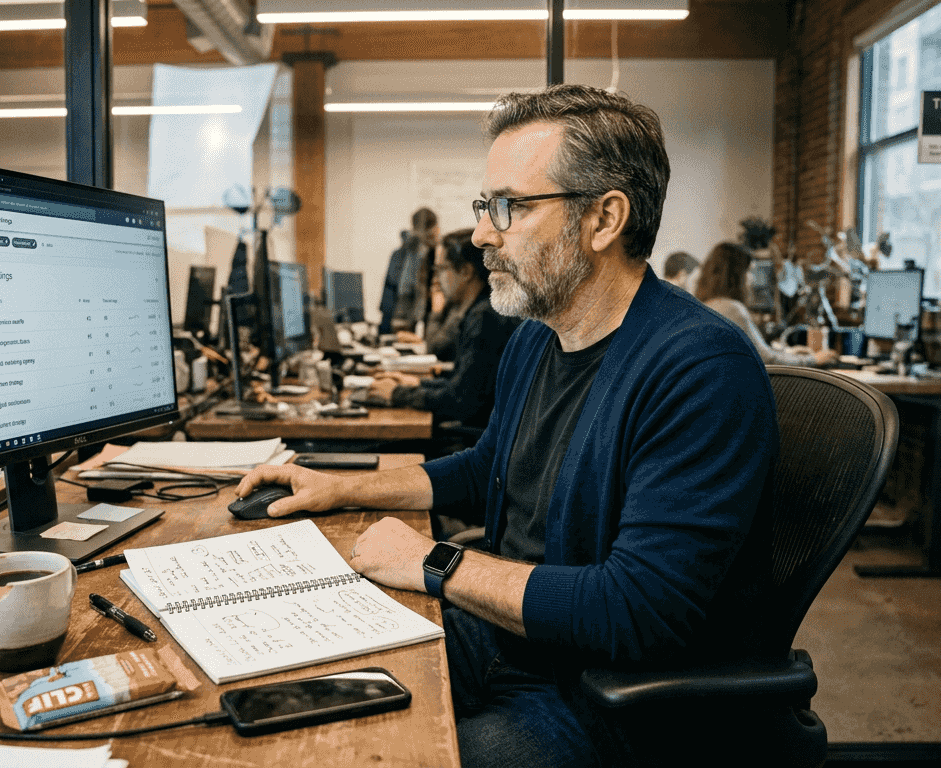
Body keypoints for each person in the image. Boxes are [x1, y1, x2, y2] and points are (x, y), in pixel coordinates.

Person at [238, 85, 786, 766]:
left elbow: (637, 608)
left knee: (379, 755)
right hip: (512, 640)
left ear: (604, 219)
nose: (481, 234)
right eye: (484, 206)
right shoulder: (536, 337)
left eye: (509, 207)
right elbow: (485, 468)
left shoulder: (700, 368)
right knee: (292, 674)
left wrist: (433, 561)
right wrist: (340, 488)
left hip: (610, 698)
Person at [369, 229, 521, 430]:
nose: (436, 279)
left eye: (441, 269)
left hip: (474, 435)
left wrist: (397, 393)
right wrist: (416, 383)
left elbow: (461, 401)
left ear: (465, 272)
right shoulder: (481, 310)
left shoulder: (485, 317)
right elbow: (462, 383)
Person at [694, 241, 839, 367]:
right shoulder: (732, 309)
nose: (752, 279)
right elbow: (767, 360)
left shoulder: (707, 306)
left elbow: (759, 353)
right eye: (749, 271)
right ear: (735, 275)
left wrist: (787, 353)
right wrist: (813, 359)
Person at [378, 207, 438, 335]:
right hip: (414, 319)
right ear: (433, 228)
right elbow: (410, 288)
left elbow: (389, 289)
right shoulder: (430, 253)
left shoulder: (399, 253)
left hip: (394, 317)